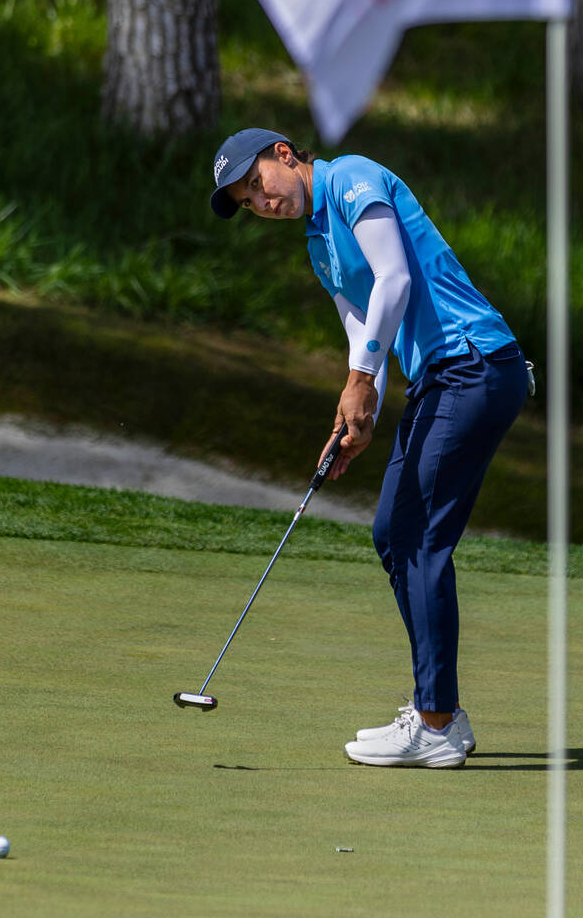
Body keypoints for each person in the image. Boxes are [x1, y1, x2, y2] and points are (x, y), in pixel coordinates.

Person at [210, 127, 530, 769]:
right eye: (248, 202)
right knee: (393, 532)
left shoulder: (351, 177)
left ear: (283, 154)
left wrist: (360, 381)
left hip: (473, 363)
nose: (261, 202)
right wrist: (360, 415)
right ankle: (441, 712)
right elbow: (364, 331)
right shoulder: (318, 246)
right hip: (445, 377)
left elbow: (394, 278)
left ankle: (435, 722)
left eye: (256, 183)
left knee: (417, 537)